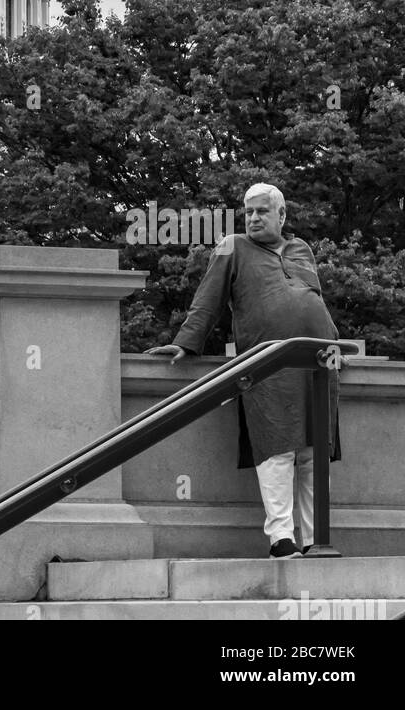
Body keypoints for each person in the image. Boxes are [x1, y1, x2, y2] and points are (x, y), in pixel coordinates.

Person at [146, 183, 340, 559]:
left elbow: (316, 301)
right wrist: (187, 342)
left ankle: (318, 539)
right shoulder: (233, 246)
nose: (252, 218)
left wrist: (334, 343)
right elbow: (209, 298)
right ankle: (282, 539)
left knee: (314, 451)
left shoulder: (302, 249)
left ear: (281, 216)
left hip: (318, 363)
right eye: (248, 211)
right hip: (269, 365)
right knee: (277, 448)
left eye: (262, 211)